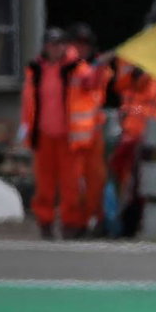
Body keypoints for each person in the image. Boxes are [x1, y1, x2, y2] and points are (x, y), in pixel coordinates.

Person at [18, 27, 86, 239]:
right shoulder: (36, 70)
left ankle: (70, 225)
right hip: (44, 135)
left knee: (71, 186)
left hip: (69, 136)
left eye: (58, 44)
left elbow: (94, 88)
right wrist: (24, 129)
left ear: (65, 46)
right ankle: (45, 224)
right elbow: (28, 103)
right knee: (44, 187)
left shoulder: (78, 69)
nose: (54, 48)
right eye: (50, 44)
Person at [110, 59, 156, 237]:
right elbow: (128, 107)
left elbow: (146, 110)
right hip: (131, 137)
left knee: (141, 184)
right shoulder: (128, 78)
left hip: (148, 139)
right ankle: (123, 223)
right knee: (126, 183)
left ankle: (136, 222)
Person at [68, 23, 115, 236]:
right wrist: (99, 63)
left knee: (96, 182)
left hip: (93, 135)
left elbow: (103, 82)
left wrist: (101, 64)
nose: (81, 48)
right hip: (73, 137)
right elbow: (86, 78)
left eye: (84, 45)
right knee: (75, 185)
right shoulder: (69, 67)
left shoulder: (98, 69)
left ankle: (95, 221)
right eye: (77, 44)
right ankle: (76, 223)